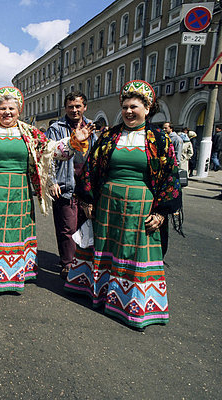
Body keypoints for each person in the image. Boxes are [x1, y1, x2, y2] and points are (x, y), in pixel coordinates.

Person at [65, 80, 183, 331]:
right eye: (126, 107)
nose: (129, 111)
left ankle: (133, 306)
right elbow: (92, 168)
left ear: (148, 108)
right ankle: (100, 295)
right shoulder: (109, 136)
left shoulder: (160, 139)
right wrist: (87, 200)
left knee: (133, 253)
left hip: (141, 206)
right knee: (106, 248)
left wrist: (161, 212)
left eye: (135, 107)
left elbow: (170, 177)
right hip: (108, 203)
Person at [0, 86, 91, 295]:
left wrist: (74, 141)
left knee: (14, 231)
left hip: (19, 191)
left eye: (12, 108)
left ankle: (11, 275)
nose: (7, 112)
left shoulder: (29, 132)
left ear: (19, 111)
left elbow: (51, 151)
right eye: (2, 108)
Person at [45, 91, 95, 279]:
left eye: (78, 106)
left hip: (86, 185)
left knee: (85, 225)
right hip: (65, 184)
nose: (74, 110)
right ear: (65, 108)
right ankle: (67, 264)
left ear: (85, 107)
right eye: (70, 107)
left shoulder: (91, 127)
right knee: (67, 228)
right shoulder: (56, 127)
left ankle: (83, 264)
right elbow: (47, 156)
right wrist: (52, 181)